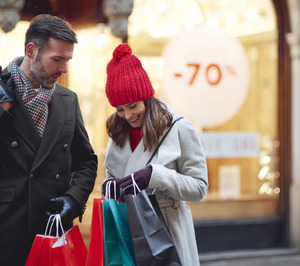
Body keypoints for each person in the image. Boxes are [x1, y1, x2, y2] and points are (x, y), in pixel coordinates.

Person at [0, 14, 98, 265]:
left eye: (67, 60)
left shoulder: (68, 100)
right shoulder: (2, 93)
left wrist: (74, 200)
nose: (64, 69)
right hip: (7, 230)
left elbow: (86, 161)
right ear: (31, 50)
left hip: (52, 230)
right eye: (57, 59)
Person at [102, 43, 208, 266]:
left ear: (146, 97)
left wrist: (155, 177)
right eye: (120, 109)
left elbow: (199, 188)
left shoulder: (179, 128)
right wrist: (111, 185)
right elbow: (115, 174)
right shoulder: (117, 132)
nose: (128, 115)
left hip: (169, 233)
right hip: (127, 230)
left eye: (132, 106)